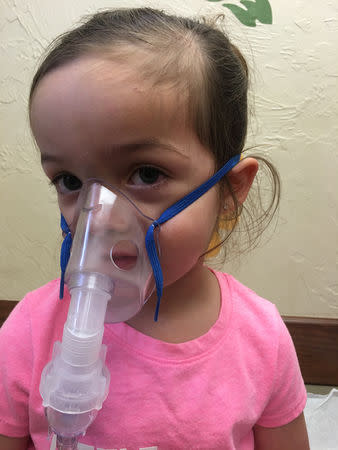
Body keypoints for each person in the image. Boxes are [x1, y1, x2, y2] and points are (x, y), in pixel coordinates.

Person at [0, 7, 309, 450]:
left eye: (146, 174)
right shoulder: (30, 331)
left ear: (230, 190)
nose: (99, 219)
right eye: (69, 182)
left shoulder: (261, 340)